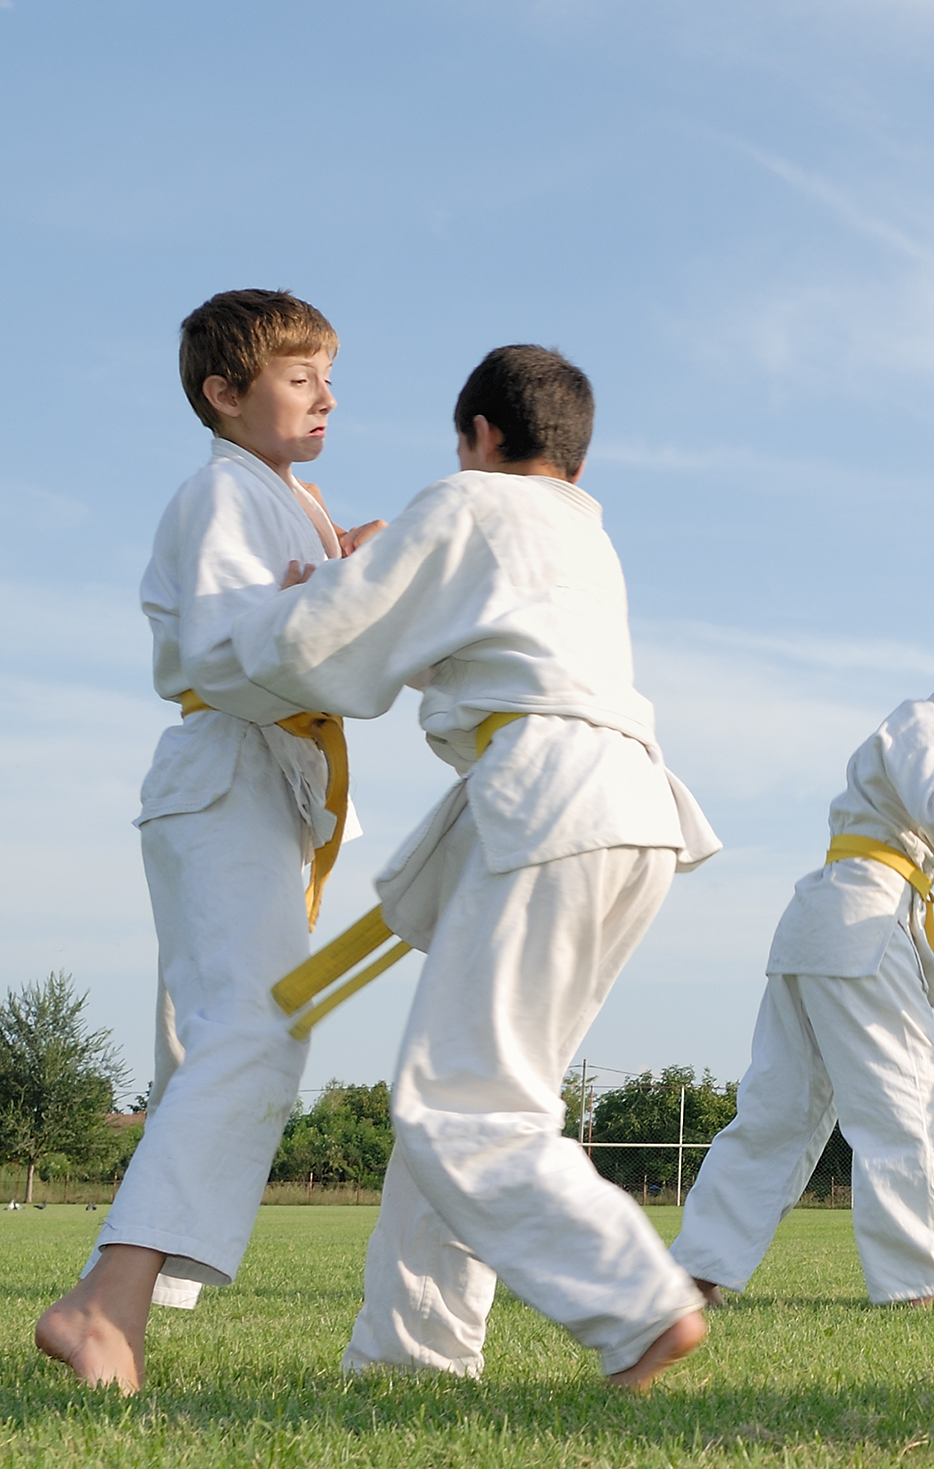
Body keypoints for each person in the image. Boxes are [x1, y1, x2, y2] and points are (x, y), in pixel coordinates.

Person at [229, 344, 722, 1391]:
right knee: (478, 1094)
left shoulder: (467, 501)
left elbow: (318, 648)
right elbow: (477, 643)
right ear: (574, 458)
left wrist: (314, 586)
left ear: (481, 436)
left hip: (549, 802)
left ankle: (637, 1300)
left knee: (461, 1103)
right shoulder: (585, 539)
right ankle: (409, 1354)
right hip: (627, 810)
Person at [38, 290, 381, 1393]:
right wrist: (345, 589)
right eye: (299, 377)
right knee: (250, 1029)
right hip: (225, 768)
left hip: (260, 782)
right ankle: (106, 1302)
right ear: (224, 393)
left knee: (253, 1034)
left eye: (329, 376)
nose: (326, 397)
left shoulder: (287, 498)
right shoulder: (224, 491)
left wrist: (346, 569)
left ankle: (125, 1291)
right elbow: (231, 651)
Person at [671, 618, 934, 1308]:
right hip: (861, 925)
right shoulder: (926, 726)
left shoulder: (929, 740)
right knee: (910, 1092)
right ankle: (922, 1278)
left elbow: (930, 838)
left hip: (826, 925)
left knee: (781, 1110)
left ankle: (694, 1269)